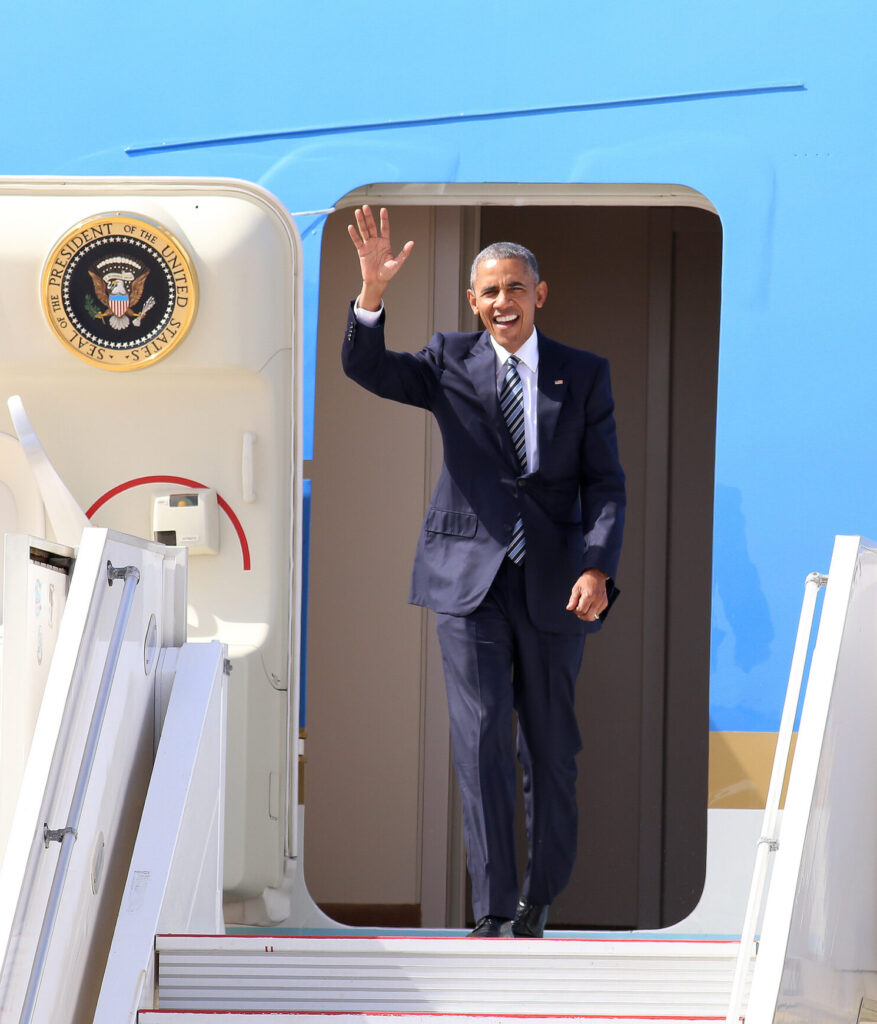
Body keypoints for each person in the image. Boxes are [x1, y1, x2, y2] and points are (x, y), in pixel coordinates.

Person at [342, 205, 625, 938]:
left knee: (551, 750)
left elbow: (606, 484)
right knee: (480, 738)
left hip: (557, 581)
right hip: (466, 580)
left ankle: (540, 899)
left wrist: (596, 569)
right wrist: (371, 294)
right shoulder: (445, 360)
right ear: (474, 302)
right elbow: (367, 368)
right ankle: (495, 907)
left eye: (515, 289)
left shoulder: (583, 375)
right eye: (490, 292)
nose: (503, 302)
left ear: (539, 294)